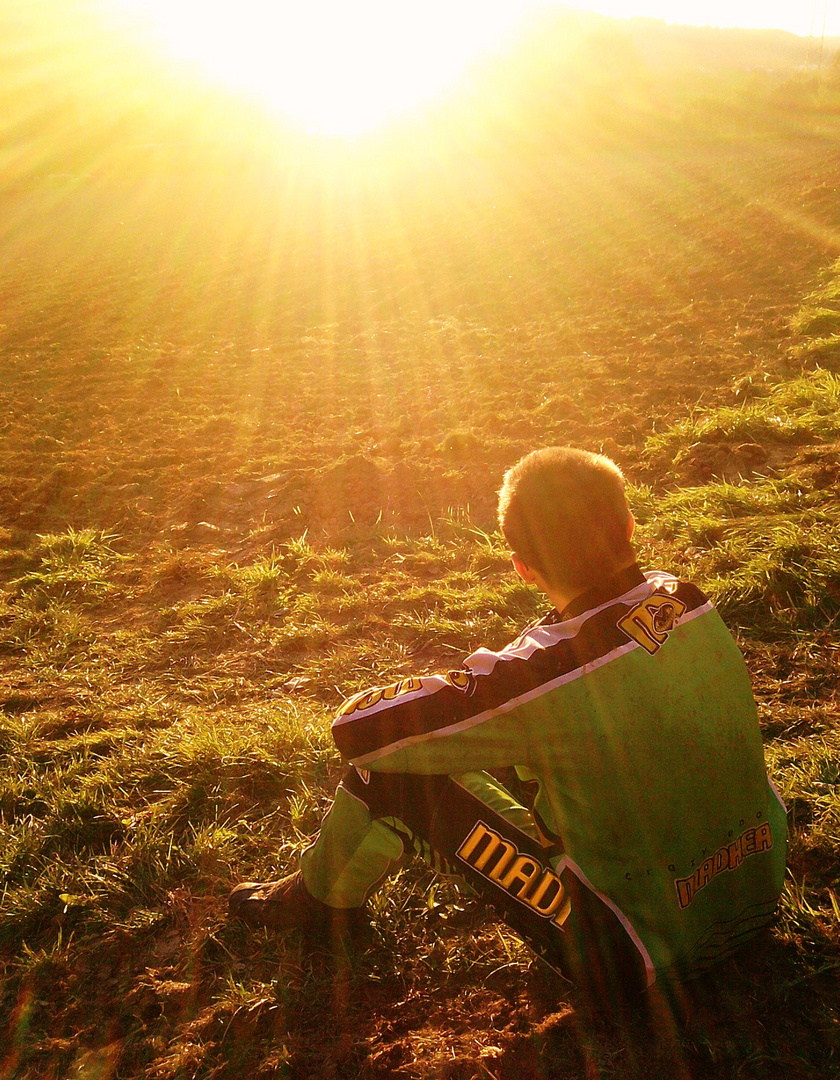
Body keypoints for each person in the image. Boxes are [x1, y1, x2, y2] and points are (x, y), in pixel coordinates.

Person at [230, 446, 787, 1004]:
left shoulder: (539, 674)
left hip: (633, 956)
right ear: (629, 526)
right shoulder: (687, 599)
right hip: (758, 893)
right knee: (529, 745)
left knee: (386, 774)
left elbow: (358, 732)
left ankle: (320, 904)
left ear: (521, 565)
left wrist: (482, 678)